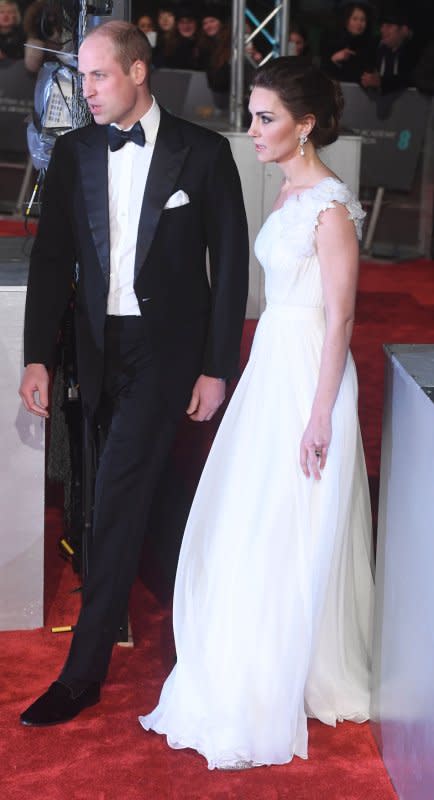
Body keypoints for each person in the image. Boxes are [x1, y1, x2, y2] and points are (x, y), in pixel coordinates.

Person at [140, 58, 374, 769]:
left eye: (266, 118)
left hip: (309, 373)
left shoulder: (331, 207)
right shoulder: (285, 196)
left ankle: (296, 667)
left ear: (305, 125)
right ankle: (255, 648)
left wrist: (321, 412)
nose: (253, 130)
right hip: (271, 366)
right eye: (253, 115)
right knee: (253, 509)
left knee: (292, 513)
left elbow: (339, 319)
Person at [18, 19, 249, 727]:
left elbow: (231, 267)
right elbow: (53, 259)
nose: (83, 90)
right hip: (95, 346)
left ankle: (83, 673)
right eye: (81, 76)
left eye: (98, 76)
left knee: (117, 494)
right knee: (150, 491)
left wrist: (216, 369)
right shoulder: (75, 151)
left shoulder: (202, 153)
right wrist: (36, 354)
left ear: (139, 72)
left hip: (165, 350)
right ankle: (215, 633)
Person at [360, 7, 419, 93]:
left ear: (404, 30)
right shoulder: (374, 47)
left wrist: (382, 82)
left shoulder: (414, 53)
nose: (382, 30)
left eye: (389, 26)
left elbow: (410, 78)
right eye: (382, 26)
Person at [321, 1, 375, 83]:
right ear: (346, 20)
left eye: (363, 20)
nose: (359, 23)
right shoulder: (331, 41)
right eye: (355, 19)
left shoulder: (370, 44)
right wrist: (334, 59)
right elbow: (324, 73)